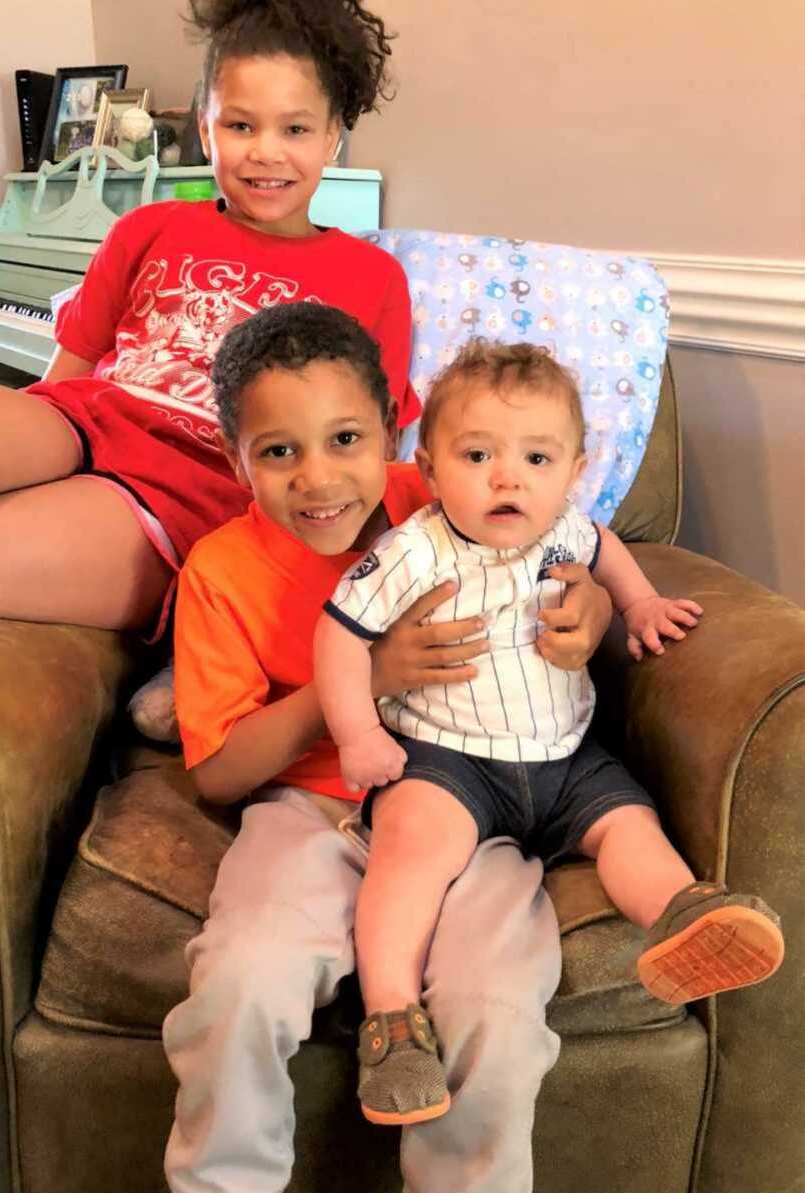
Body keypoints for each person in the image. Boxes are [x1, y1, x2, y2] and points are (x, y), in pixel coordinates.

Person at [164, 302, 613, 1193]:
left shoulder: (451, 494)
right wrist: (362, 682)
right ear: (233, 458)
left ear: (398, 434)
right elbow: (217, 772)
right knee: (242, 983)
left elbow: (577, 557)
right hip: (311, 809)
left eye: (345, 439)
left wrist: (595, 608)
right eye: (278, 452)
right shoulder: (220, 570)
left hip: (474, 802)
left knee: (498, 1011)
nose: (320, 478)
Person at [313, 338, 786, 1126]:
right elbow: (337, 636)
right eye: (477, 455)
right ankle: (391, 1019)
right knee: (409, 853)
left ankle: (685, 916)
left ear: (573, 470)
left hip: (567, 757)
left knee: (630, 825)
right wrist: (359, 731)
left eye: (537, 458)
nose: (508, 477)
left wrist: (638, 606)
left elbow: (609, 551)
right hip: (447, 758)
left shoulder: (567, 528)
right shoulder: (412, 549)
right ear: (428, 468)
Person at [0, 0, 424, 641]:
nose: (266, 152)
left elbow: (375, 458)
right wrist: (5, 457)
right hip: (80, 419)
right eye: (240, 125)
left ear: (332, 136)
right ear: (204, 129)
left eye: (294, 130)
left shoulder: (371, 278)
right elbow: (65, 377)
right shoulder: (150, 226)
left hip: (189, 487)